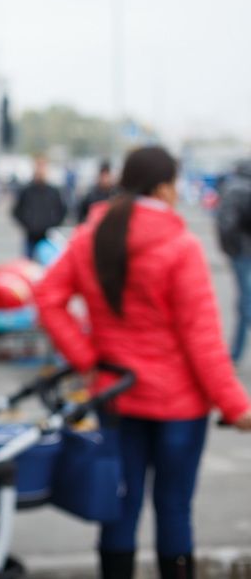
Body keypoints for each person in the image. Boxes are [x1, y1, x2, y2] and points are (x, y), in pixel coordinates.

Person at [34, 146, 251, 579]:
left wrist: (87, 359)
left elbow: (47, 298)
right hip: (179, 405)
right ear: (164, 188)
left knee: (119, 505)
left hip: (116, 397)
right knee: (173, 507)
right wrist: (236, 406)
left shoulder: (90, 236)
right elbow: (203, 341)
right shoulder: (180, 246)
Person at [215, 159, 251, 365]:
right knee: (245, 302)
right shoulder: (243, 189)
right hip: (244, 250)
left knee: (245, 303)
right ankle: (236, 352)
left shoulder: (233, 188)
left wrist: (230, 249)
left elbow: (225, 224)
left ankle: (236, 352)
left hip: (241, 252)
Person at [12, 155, 66, 259]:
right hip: (31, 235)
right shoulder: (27, 191)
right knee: (28, 262)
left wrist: (53, 223)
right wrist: (27, 224)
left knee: (48, 262)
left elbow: (62, 210)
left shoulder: (53, 192)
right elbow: (17, 211)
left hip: (47, 235)